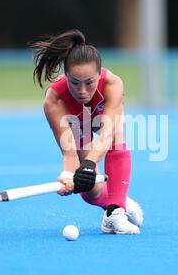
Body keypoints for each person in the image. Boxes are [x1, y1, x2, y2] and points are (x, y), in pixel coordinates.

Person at [30, 29, 143, 234]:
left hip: (105, 123)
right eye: (74, 83)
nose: (82, 91)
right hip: (78, 126)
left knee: (117, 132)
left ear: (99, 75)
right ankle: (115, 198)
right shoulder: (54, 101)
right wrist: (68, 176)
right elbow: (69, 152)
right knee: (91, 189)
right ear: (66, 77)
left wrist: (90, 164)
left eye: (89, 83)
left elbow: (107, 132)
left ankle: (115, 212)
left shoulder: (113, 84)